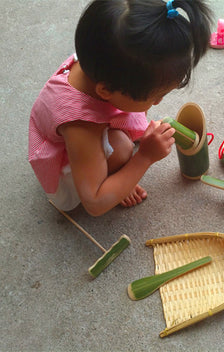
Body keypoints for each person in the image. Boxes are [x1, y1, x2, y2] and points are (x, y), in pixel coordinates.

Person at [28, 0, 212, 216]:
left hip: (87, 128)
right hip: (67, 165)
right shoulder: (82, 127)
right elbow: (94, 203)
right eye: (155, 96)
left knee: (126, 133)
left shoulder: (102, 57)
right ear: (106, 91)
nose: (158, 103)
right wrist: (144, 158)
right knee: (122, 147)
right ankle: (114, 182)